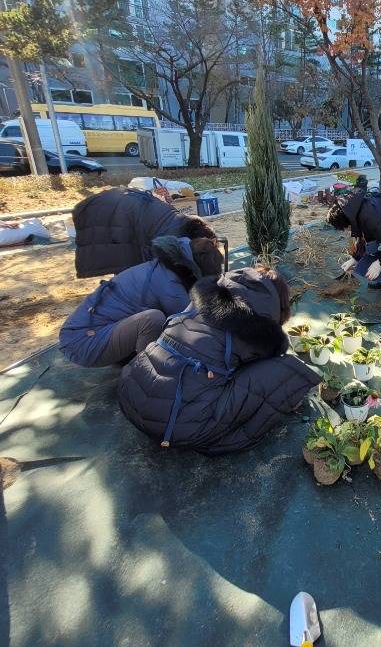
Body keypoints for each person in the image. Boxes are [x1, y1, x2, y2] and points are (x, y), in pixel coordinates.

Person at [117, 267, 321, 455]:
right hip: (175, 424)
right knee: (286, 368)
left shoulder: (202, 300)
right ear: (276, 303)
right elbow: (264, 364)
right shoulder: (257, 328)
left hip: (131, 392)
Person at [59, 235, 223, 367]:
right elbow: (194, 322)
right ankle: (147, 372)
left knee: (158, 322)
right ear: (199, 264)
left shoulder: (170, 263)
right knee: (153, 319)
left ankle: (129, 356)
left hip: (92, 332)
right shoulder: (168, 281)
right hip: (84, 342)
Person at [72, 187, 217, 278]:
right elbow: (156, 263)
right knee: (124, 258)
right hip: (112, 212)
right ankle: (123, 286)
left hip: (124, 206)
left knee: (129, 258)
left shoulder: (183, 222)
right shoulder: (173, 236)